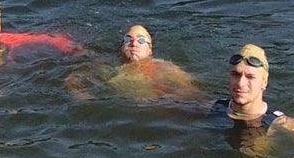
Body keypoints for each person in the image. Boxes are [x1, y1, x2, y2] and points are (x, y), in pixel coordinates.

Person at [208, 44, 294, 156]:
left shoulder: (280, 122)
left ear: (264, 83)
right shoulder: (215, 107)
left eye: (250, 77)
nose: (240, 83)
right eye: (235, 74)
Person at [65, 24, 202, 101]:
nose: (134, 43)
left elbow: (190, 91)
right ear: (121, 47)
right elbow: (73, 79)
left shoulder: (164, 66)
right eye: (128, 39)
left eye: (141, 40)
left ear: (150, 49)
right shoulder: (109, 66)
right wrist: (80, 94)